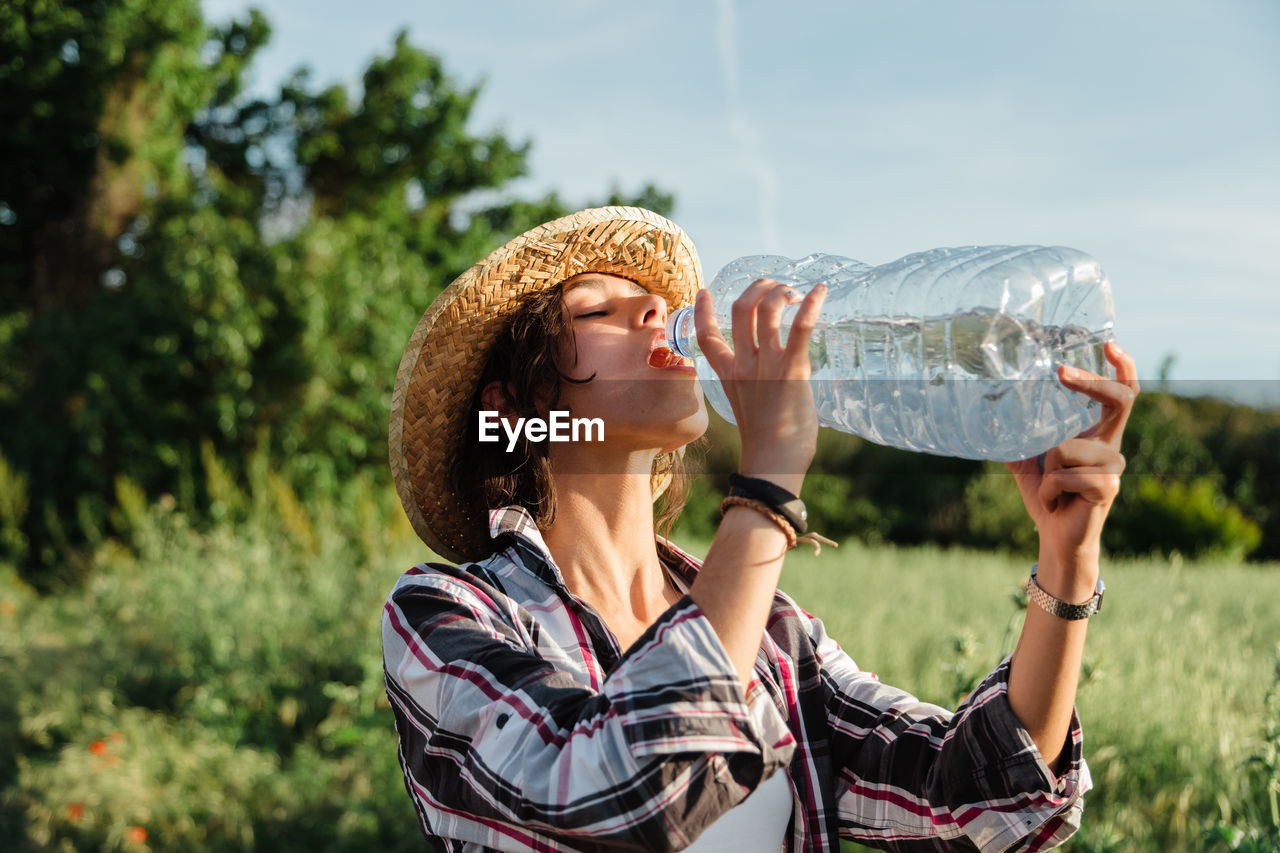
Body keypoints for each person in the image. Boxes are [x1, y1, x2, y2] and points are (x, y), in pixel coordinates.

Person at [382, 207, 1139, 852]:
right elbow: (619, 797)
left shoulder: (775, 636)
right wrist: (770, 483)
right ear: (514, 407)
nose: (654, 311)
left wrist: (1066, 561)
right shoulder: (447, 614)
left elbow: (977, 801)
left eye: (651, 298)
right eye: (598, 310)